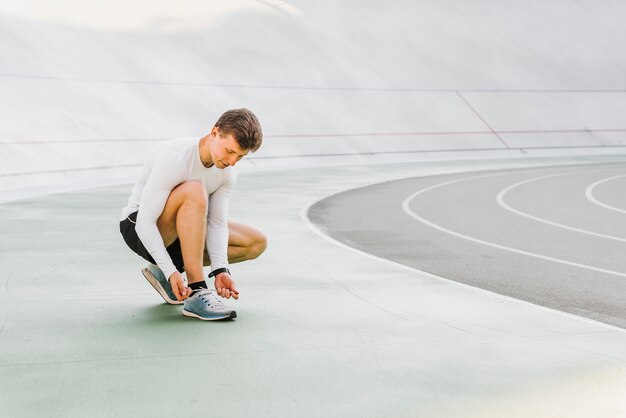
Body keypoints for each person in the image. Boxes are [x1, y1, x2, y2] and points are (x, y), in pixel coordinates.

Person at [119, 108, 267, 321]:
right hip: (139, 229)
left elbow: (216, 224)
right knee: (194, 191)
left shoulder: (227, 171)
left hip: (181, 234)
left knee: (255, 241)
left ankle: (161, 273)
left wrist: (220, 269)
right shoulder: (175, 157)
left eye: (240, 157)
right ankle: (197, 291)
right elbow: (145, 222)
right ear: (214, 133)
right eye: (229, 151)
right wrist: (171, 271)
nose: (232, 161)